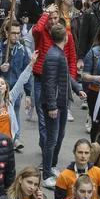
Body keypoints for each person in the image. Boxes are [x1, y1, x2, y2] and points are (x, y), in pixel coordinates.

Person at [41, 25, 85, 187]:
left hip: (61, 103)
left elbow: (65, 77)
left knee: (59, 135)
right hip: (55, 104)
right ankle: (46, 175)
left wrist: (78, 89)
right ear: (66, 38)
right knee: (52, 139)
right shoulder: (54, 56)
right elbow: (50, 83)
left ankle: (52, 166)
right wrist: (52, 106)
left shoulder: (58, 54)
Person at [0, 20, 34, 150]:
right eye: (13, 33)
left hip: (16, 89)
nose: (16, 36)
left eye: (18, 33)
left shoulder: (23, 51)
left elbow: (26, 72)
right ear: (6, 32)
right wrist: (0, 69)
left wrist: (28, 94)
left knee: (15, 113)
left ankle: (15, 138)